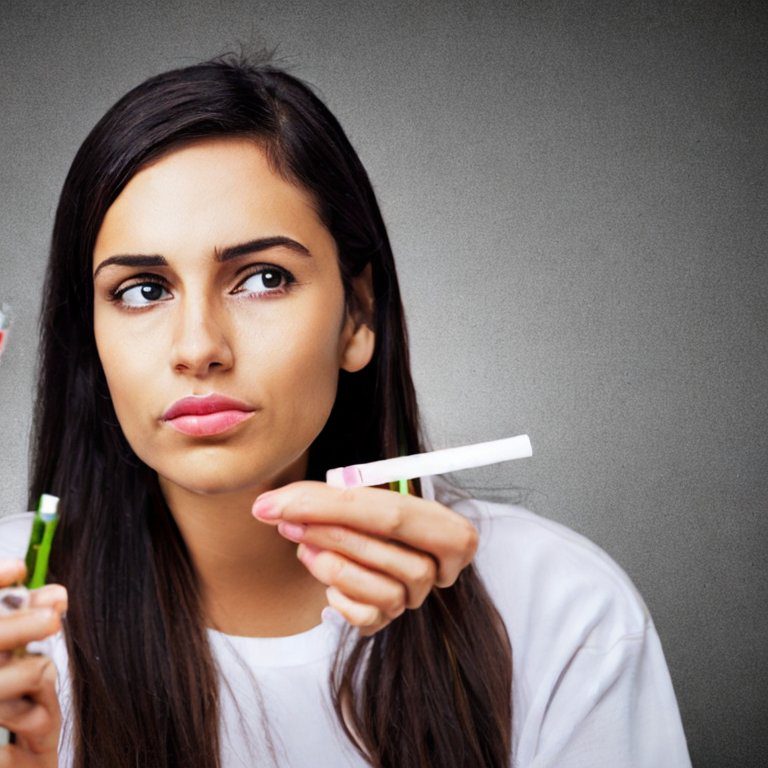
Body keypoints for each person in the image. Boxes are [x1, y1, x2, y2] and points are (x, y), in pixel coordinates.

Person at [0, 52, 692, 768]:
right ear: (90, 335)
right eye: (142, 290)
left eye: (263, 279)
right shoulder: (13, 625)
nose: (198, 347)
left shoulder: (559, 613)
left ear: (358, 315)